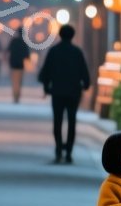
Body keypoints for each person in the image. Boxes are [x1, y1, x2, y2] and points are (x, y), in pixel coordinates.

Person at [38, 25, 91, 163]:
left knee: (58, 121)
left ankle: (58, 149)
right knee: (72, 121)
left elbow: (46, 71)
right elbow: (84, 72)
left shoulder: (54, 51)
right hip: (74, 92)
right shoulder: (77, 52)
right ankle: (69, 152)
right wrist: (85, 84)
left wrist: (46, 87)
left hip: (58, 91)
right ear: (72, 36)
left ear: (60, 35)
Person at [7, 34, 32, 102]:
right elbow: (27, 55)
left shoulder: (13, 41)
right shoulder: (23, 42)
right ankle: (17, 96)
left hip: (13, 64)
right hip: (20, 65)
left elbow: (8, 50)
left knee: (15, 81)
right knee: (19, 81)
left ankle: (15, 96)